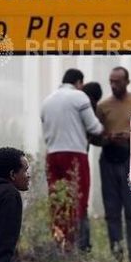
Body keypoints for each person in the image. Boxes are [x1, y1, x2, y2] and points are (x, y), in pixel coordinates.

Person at [41, 69, 103, 252]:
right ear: (79, 82)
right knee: (78, 199)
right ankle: (76, 245)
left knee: (57, 200)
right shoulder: (79, 97)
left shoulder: (47, 101)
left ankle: (59, 243)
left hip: (52, 155)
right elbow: (95, 127)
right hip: (75, 154)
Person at [96, 67, 131, 262]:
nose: (113, 85)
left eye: (117, 81)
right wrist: (107, 137)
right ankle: (117, 258)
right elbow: (94, 135)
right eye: (111, 81)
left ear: (127, 81)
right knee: (112, 212)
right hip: (109, 159)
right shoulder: (103, 107)